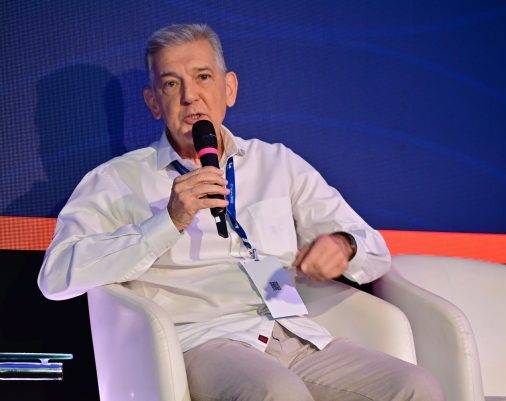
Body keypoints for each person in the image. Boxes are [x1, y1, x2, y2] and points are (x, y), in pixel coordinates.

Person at [38, 23, 444, 401]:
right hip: (204, 340)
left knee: (416, 387)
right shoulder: (116, 180)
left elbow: (374, 250)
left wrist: (343, 245)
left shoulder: (277, 163)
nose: (190, 96)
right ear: (154, 103)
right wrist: (168, 221)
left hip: (294, 332)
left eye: (203, 77)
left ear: (229, 88)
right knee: (279, 393)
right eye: (171, 84)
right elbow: (55, 276)